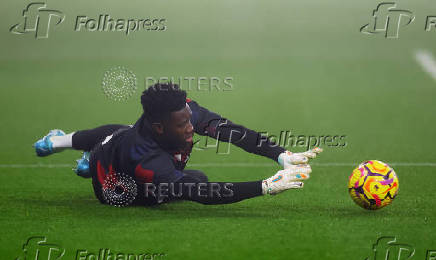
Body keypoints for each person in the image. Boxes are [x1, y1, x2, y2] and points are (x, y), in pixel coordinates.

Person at [34, 83, 322, 206]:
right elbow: (201, 193)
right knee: (195, 178)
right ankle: (79, 153)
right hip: (119, 191)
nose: (191, 128)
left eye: (189, 120)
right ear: (159, 128)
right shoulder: (147, 159)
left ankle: (70, 147)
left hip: (118, 146)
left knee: (114, 133)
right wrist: (265, 186)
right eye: (183, 125)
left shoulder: (181, 112)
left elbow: (228, 131)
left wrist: (280, 155)